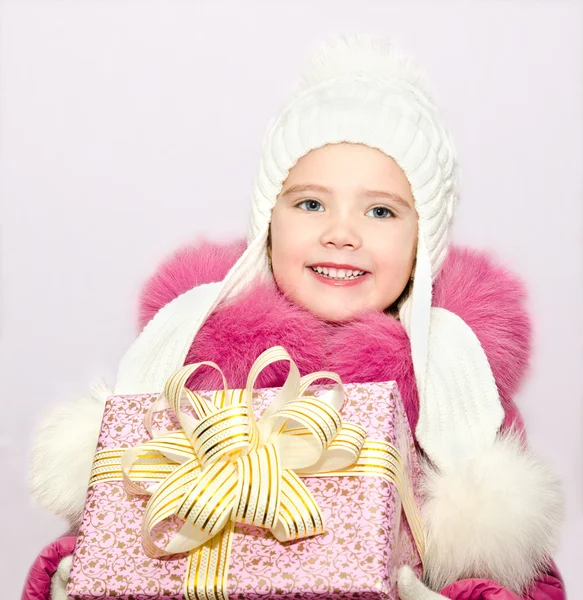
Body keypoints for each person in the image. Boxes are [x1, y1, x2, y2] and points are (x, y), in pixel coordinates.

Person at [23, 35, 565, 600]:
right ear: (270, 221)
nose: (340, 232)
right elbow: (115, 533)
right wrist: (72, 582)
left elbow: (528, 576)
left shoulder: (456, 391)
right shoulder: (192, 365)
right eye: (311, 203)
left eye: (380, 211)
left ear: (422, 243)